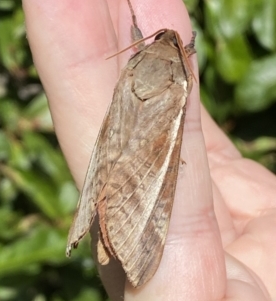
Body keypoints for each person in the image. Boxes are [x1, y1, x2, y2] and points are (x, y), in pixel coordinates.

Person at [23, 0, 276, 300]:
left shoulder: (133, 67)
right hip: (148, 164)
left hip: (121, 144)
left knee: (108, 147)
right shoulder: (177, 82)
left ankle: (107, 229)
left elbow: (135, 38)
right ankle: (122, 238)